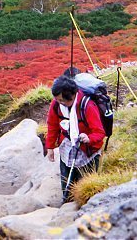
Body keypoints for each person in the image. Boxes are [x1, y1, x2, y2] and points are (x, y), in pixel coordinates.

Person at [45, 75, 106, 203]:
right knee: (67, 180)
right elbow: (52, 125)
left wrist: (89, 138)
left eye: (62, 100)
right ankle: (67, 201)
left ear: (72, 96)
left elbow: (100, 132)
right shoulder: (57, 104)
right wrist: (50, 146)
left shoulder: (87, 106)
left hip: (87, 151)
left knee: (85, 185)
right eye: (57, 99)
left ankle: (85, 204)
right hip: (67, 148)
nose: (59, 102)